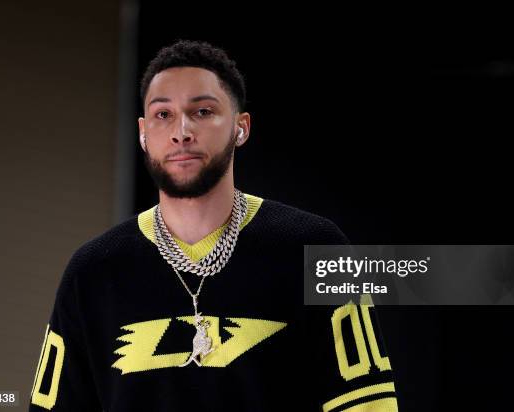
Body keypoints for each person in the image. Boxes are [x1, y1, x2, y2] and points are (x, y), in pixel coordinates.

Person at [29, 39, 399, 411]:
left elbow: (368, 404)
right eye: (163, 115)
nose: (181, 131)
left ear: (241, 127)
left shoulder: (316, 250)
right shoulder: (93, 272)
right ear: (143, 133)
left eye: (203, 111)